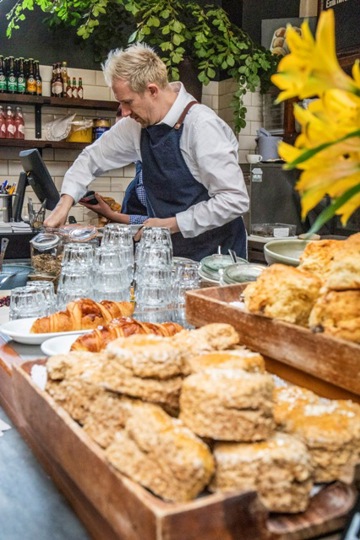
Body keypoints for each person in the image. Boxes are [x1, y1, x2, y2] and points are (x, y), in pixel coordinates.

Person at [44, 43, 249, 261]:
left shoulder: (202, 125)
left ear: (152, 90)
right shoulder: (136, 126)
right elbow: (90, 159)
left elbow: (234, 199)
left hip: (218, 260)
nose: (124, 111)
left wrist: (172, 224)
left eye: (127, 102)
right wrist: (64, 204)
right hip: (170, 256)